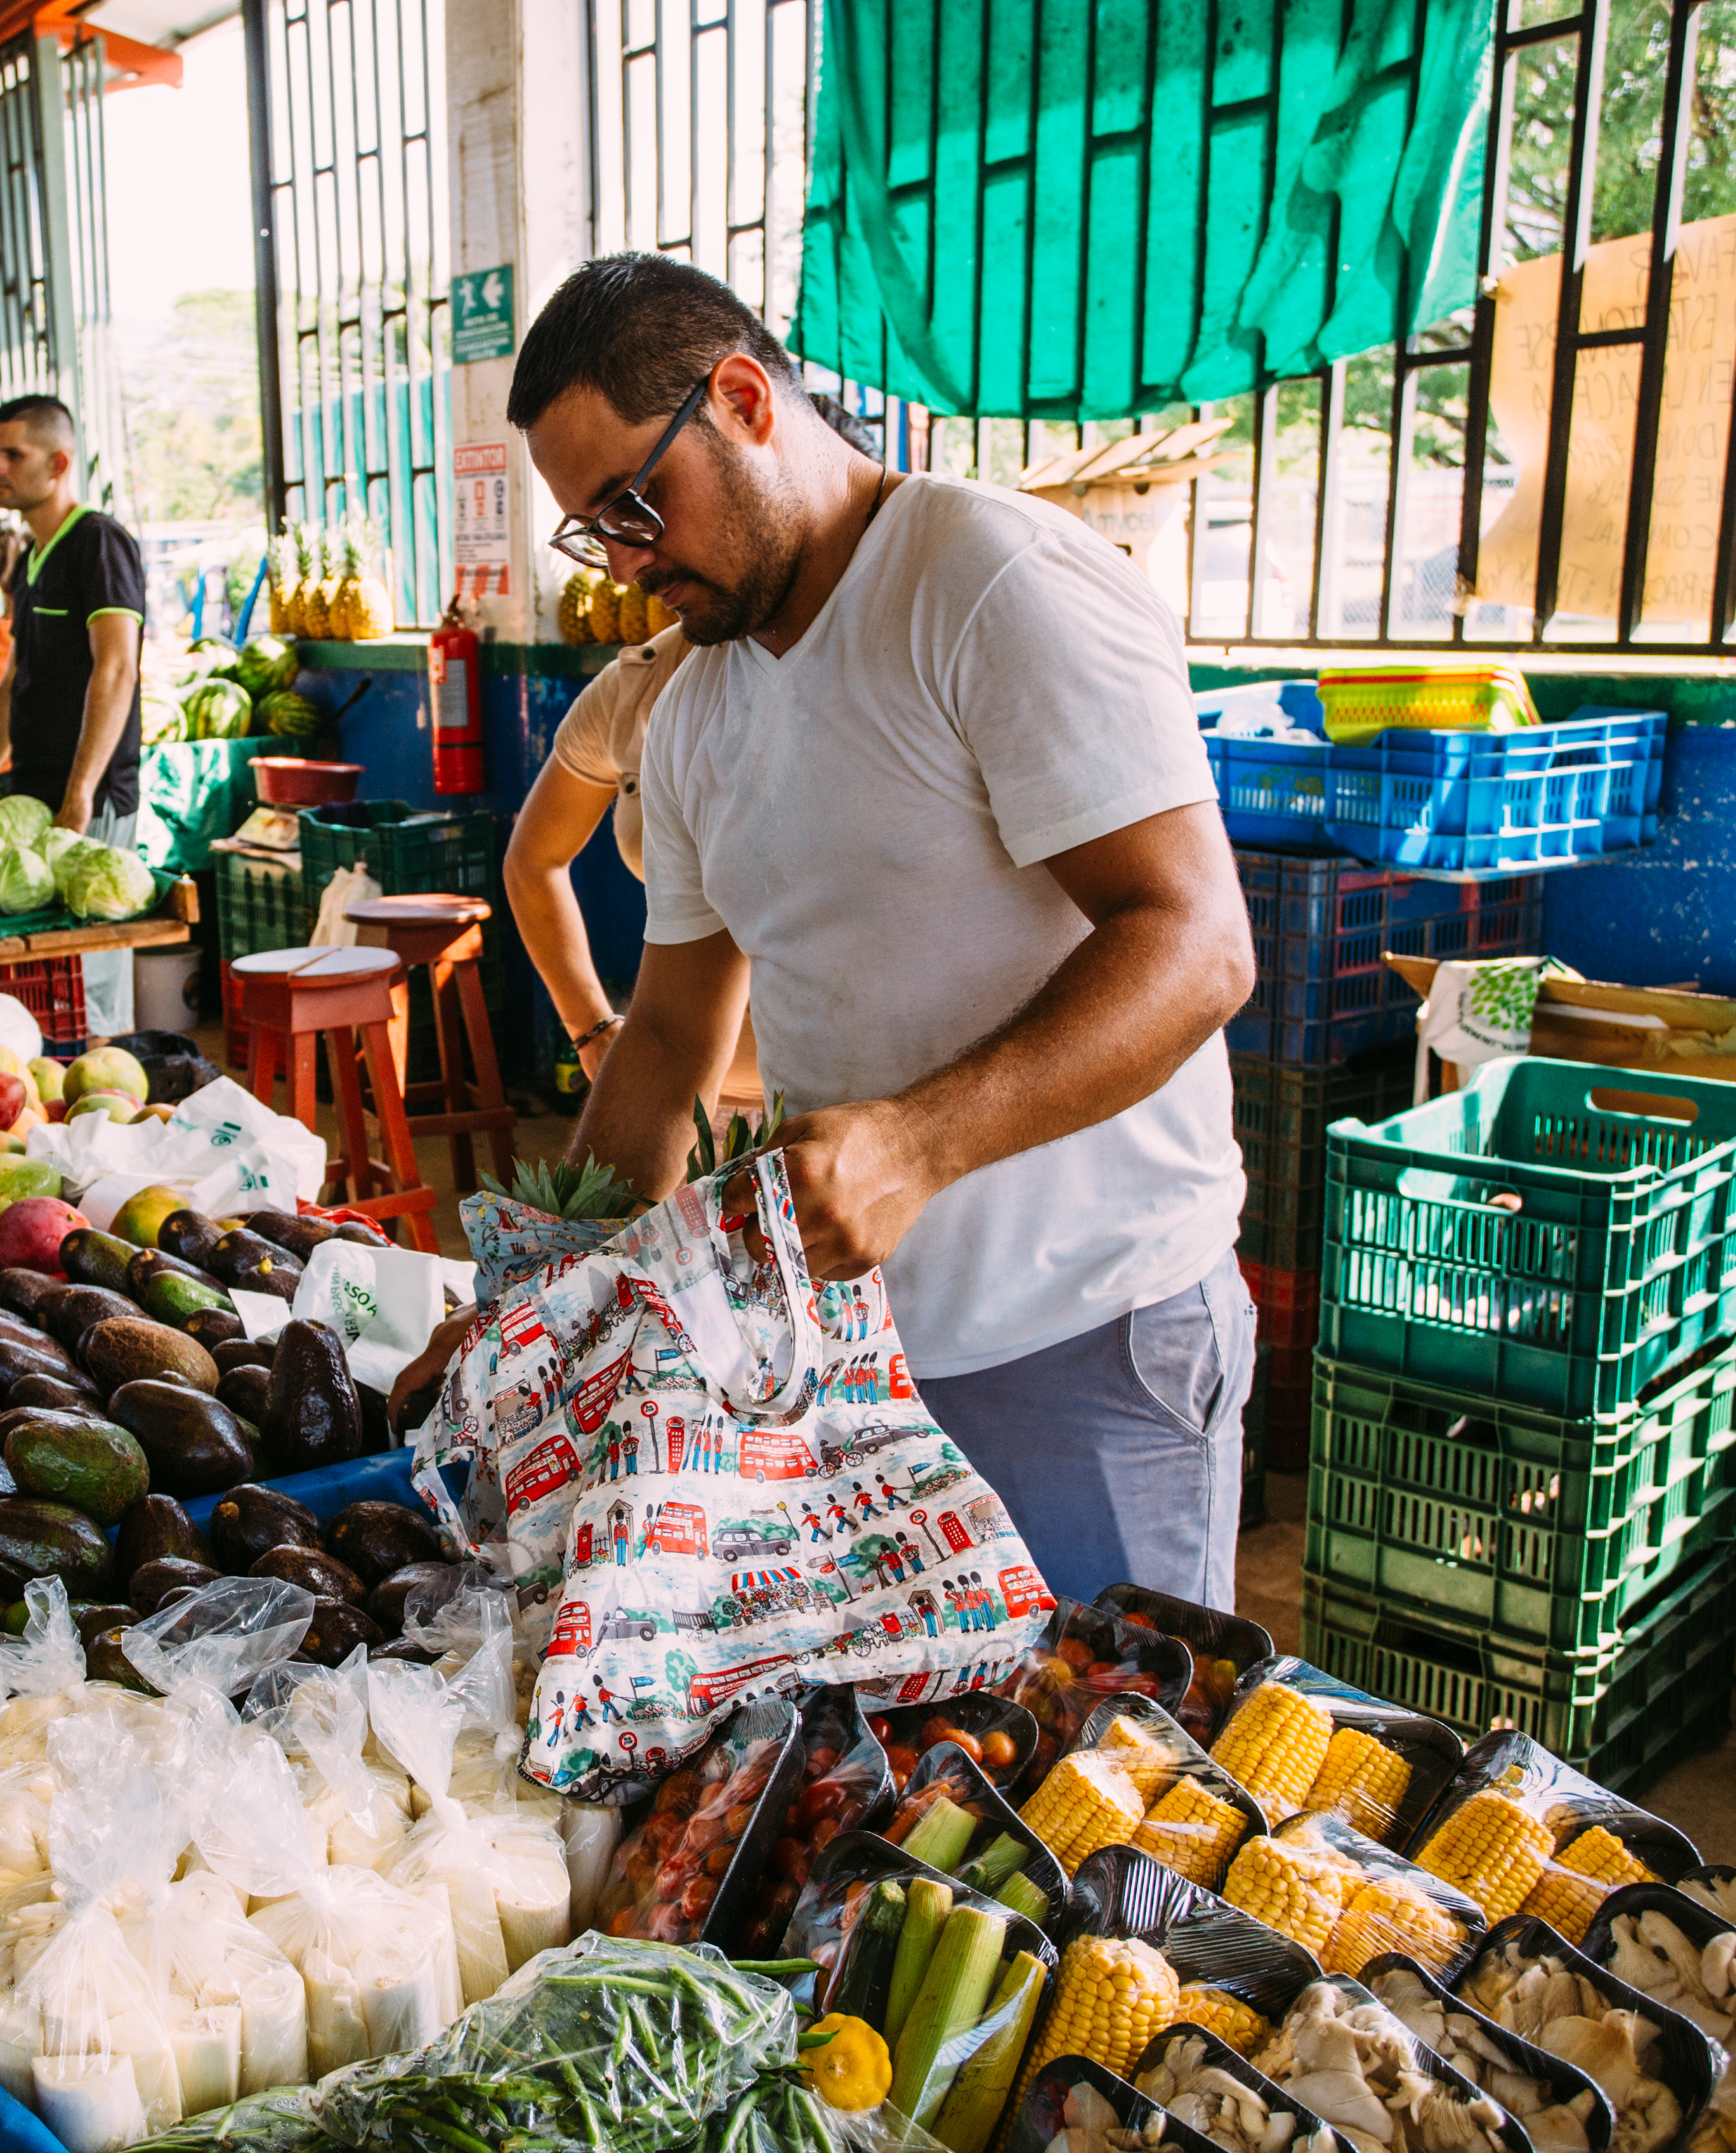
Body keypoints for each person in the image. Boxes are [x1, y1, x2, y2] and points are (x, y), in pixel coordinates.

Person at [477, 254, 1260, 1604]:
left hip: (1086, 1333)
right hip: (845, 1360)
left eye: (632, 504)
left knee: (1106, 1787)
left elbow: (1194, 944)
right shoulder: (697, 708)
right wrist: (544, 1300)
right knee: (912, 1790)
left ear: (741, 399)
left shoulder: (981, 581)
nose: (624, 561)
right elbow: (667, 1038)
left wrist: (917, 1141)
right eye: (590, 530)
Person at [507, 391, 883, 1108]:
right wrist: (593, 1032)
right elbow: (534, 859)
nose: (625, 566)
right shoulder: (650, 686)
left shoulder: (914, 654)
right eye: (607, 526)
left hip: (882, 1116)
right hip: (707, 1108)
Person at [0, 394, 148, 1032]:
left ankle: (115, 1110)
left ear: (59, 463)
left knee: (91, 988)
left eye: (13, 454)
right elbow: (13, 680)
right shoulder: (31, 561)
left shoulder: (98, 544)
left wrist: (80, 797)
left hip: (90, 802)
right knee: (51, 988)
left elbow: (117, 668)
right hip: (37, 798)